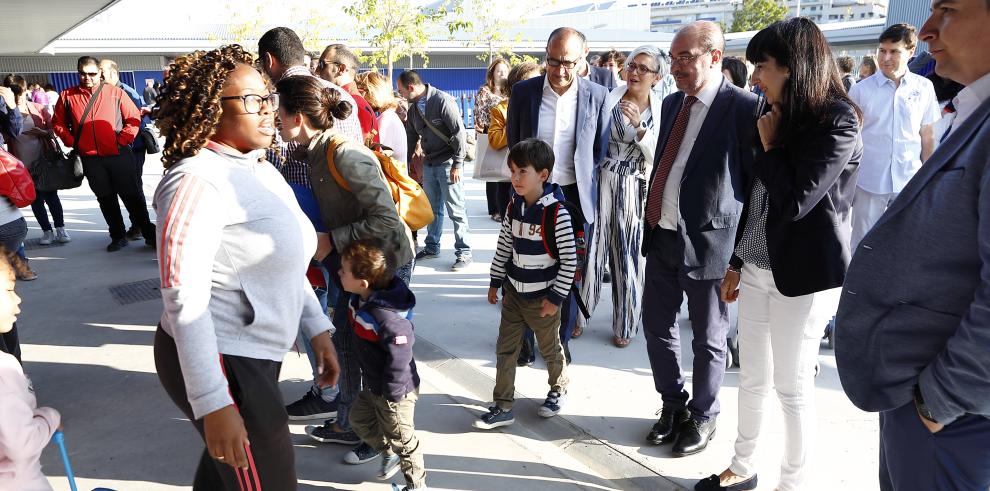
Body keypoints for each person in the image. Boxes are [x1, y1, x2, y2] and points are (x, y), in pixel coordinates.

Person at [152, 44, 340, 490]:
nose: (267, 111)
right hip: (223, 357)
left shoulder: (260, 169)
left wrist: (317, 329)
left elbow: (289, 261)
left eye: (268, 98)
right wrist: (213, 401)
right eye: (251, 100)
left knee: (229, 480)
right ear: (208, 109)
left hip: (254, 356)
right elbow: (184, 299)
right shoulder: (193, 181)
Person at [697, 18, 863, 491]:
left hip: (804, 274)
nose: (755, 78)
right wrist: (736, 261)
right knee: (751, 377)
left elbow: (795, 201)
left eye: (762, 67)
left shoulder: (838, 119)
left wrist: (770, 144)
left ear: (793, 67)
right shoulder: (775, 111)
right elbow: (758, 195)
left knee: (792, 389)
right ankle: (742, 467)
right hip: (757, 266)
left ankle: (793, 483)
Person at [836, 0, 990, 489]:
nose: (927, 30)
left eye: (947, 10)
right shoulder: (973, 108)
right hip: (925, 395)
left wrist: (938, 400)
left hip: (953, 413)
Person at [273, 75, 415, 469]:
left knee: (382, 363)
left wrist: (331, 238)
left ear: (297, 116)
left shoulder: (344, 154)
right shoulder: (312, 152)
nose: (274, 119)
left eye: (278, 111)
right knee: (351, 354)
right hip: (354, 268)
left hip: (386, 268)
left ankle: (392, 445)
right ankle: (356, 427)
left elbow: (387, 219)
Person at [640, 21, 759, 457]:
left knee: (709, 337)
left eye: (684, 58)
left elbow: (753, 186)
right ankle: (673, 405)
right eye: (671, 58)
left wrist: (740, 258)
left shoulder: (745, 107)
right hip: (663, 232)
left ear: (714, 57)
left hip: (712, 242)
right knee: (656, 326)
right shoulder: (672, 103)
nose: (675, 67)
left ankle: (704, 415)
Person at [257, 26, 361, 425]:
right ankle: (341, 394)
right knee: (342, 315)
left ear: (269, 61)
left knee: (317, 312)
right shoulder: (338, 94)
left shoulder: (282, 102)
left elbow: (275, 166)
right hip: (339, 230)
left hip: (313, 234)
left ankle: (331, 390)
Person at [506, 26, 609, 365]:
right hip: (531, 196)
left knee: (568, 271)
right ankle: (523, 340)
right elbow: (514, 143)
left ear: (584, 58)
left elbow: (599, 150)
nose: (560, 70)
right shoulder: (523, 92)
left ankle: (559, 345)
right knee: (521, 267)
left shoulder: (597, 94)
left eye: (569, 62)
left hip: (574, 198)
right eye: (553, 61)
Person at [476, 138, 577, 429]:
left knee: (550, 349)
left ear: (543, 175)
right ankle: (503, 405)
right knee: (505, 350)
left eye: (523, 171)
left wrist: (555, 299)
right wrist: (496, 282)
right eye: (512, 171)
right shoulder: (513, 207)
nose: (515, 178)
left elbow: (569, 261)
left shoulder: (556, 213)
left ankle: (558, 388)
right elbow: (504, 247)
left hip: (543, 299)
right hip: (514, 297)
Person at [582, 45, 669, 348]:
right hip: (603, 179)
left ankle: (626, 323)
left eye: (643, 68)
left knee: (628, 254)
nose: (634, 72)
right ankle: (580, 315)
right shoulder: (610, 97)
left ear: (656, 77)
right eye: (632, 65)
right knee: (593, 248)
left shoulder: (662, 108)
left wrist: (640, 129)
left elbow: (661, 156)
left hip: (634, 184)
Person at [339, 239, 426, 491]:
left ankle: (416, 485)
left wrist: (393, 392)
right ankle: (386, 451)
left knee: (404, 441)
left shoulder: (386, 317)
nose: (339, 273)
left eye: (343, 271)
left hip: (395, 392)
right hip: (374, 385)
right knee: (358, 419)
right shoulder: (360, 300)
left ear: (363, 283)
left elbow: (400, 355)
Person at [848, 23, 940, 248]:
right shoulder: (861, 90)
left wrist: (929, 175)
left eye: (894, 51)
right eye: (882, 50)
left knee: (905, 241)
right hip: (869, 179)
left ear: (910, 52)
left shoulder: (924, 87)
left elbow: (927, 134)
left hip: (909, 178)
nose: (885, 57)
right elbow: (850, 137)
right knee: (863, 241)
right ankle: (858, 283)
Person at [52, 56, 154, 252]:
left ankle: (149, 234)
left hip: (119, 154)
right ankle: (117, 236)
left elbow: (133, 118)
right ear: (78, 73)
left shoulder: (115, 93)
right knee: (106, 199)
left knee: (132, 196)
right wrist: (72, 141)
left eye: (91, 74)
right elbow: (58, 123)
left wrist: (122, 140)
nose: (87, 78)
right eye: (83, 74)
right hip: (91, 158)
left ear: (99, 72)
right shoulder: (67, 95)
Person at [398, 69, 472, 271]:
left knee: (456, 209)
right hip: (430, 163)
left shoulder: (442, 100)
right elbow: (411, 137)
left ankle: (463, 252)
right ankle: (432, 246)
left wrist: (458, 163)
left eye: (401, 91)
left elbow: (459, 132)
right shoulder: (414, 109)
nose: (401, 95)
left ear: (411, 87)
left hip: (449, 163)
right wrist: (404, 165)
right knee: (432, 209)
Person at [0, 246, 60, 491]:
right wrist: (48, 418)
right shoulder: (4, 371)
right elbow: (22, 443)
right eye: (9, 290)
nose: (18, 299)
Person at [3, 75, 68, 248]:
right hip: (21, 165)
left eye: (21, 93)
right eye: (15, 94)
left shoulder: (38, 108)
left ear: (26, 90)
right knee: (36, 200)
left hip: (43, 161)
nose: (19, 98)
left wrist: (44, 133)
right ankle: (46, 230)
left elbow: (53, 130)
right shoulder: (5, 112)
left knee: (52, 197)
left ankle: (61, 228)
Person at [99, 59, 153, 242]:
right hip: (117, 150)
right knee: (124, 188)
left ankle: (140, 227)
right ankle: (136, 225)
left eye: (102, 72)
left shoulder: (126, 92)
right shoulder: (104, 93)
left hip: (132, 149)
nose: (99, 76)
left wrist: (122, 143)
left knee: (134, 188)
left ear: (113, 73)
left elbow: (135, 123)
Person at [487, 61, 541, 216]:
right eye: (532, 82)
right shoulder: (501, 109)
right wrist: (515, 121)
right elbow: (496, 139)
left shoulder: (546, 106)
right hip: (510, 178)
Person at [317, 44, 380, 144]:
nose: (317, 71)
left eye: (322, 64)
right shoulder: (352, 101)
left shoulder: (354, 104)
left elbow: (357, 152)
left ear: (341, 69)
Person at [475, 58, 510, 222]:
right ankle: (495, 209)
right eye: (499, 71)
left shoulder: (511, 90)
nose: (502, 73)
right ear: (493, 73)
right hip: (491, 131)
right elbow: (479, 114)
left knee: (507, 171)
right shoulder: (485, 91)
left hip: (508, 132)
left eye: (505, 70)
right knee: (493, 171)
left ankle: (507, 206)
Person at [355, 71, 408, 162]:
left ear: (371, 93)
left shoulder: (386, 120)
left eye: (361, 92)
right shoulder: (388, 117)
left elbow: (377, 157)